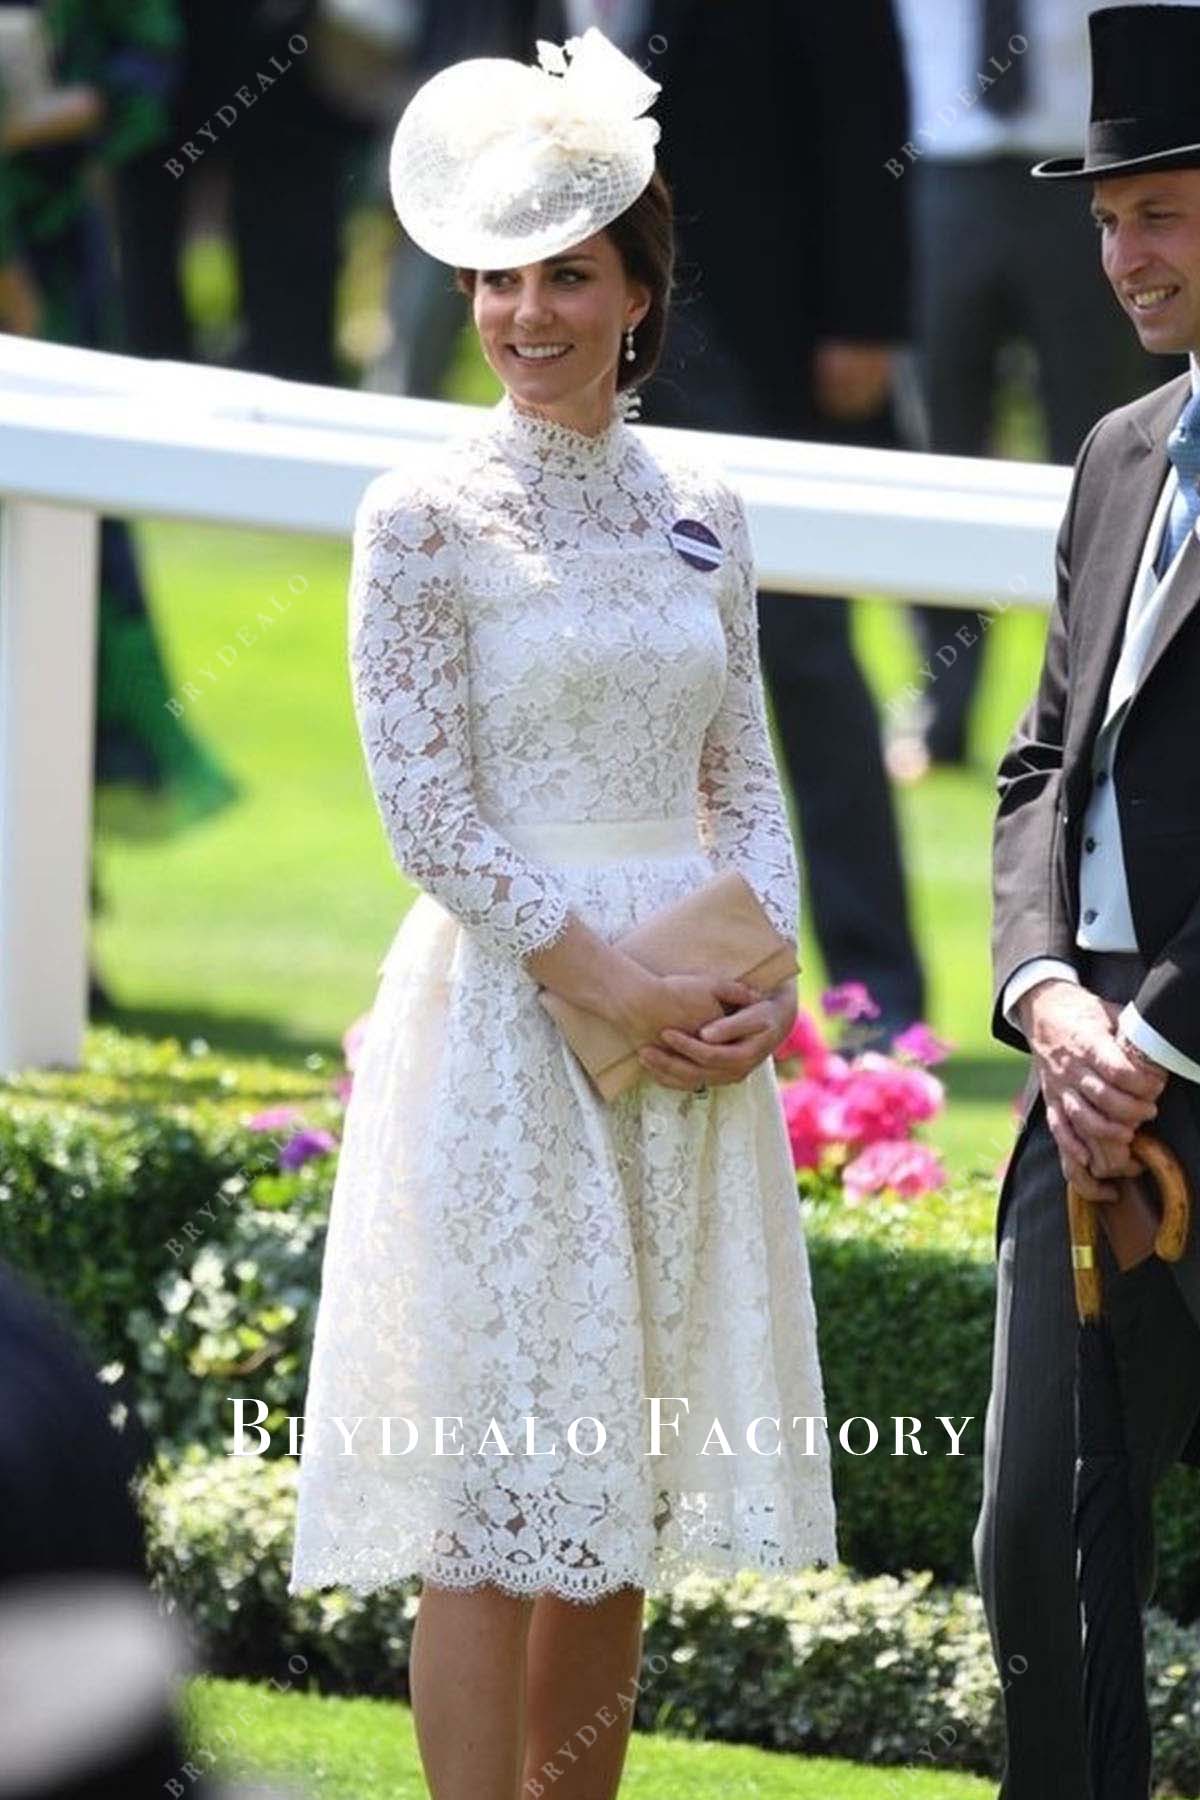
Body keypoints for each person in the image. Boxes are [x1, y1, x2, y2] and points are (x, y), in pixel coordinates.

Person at [287, 28, 837, 1800]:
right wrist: (599, 981)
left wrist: (754, 988)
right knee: (496, 1488)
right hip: (512, 1033)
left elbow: (746, 775)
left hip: (685, 1038)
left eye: (568, 275)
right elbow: (428, 813)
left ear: (637, 294)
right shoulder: (421, 515)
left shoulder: (707, 510)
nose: (527, 312)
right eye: (499, 276)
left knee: (617, 1497)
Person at [981, 7, 1200, 1794]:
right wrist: (1049, 995)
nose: (1124, 256)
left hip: (1171, 1052)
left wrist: (1155, 1035)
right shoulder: (1120, 447)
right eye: (1108, 216)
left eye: (1165, 213)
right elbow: (1041, 761)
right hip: (1080, 1082)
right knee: (1037, 1554)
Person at [636, 0, 927, 1042]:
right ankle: (643, 963)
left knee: (800, 651)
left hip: (768, 344)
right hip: (589, 348)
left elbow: (865, 107)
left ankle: (875, 991)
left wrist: (868, 314)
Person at [890, 0, 1176, 780]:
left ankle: (1103, 703)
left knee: (1108, 455)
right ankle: (941, 714)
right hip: (942, 177)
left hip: (1087, 172)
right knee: (938, 453)